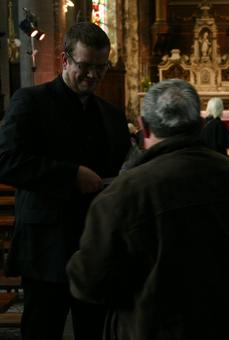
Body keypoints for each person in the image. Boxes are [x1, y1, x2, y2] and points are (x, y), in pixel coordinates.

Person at [67, 79, 229, 340]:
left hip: (154, 328)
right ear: (201, 124)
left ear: (143, 127)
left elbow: (89, 283)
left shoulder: (122, 193)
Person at [0, 22, 130, 340]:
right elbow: (6, 161)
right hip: (47, 246)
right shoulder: (30, 102)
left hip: (96, 246)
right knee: (42, 330)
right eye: (85, 66)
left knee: (95, 332)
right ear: (65, 61)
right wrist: (70, 175)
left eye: (101, 68)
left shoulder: (112, 115)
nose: (93, 76)